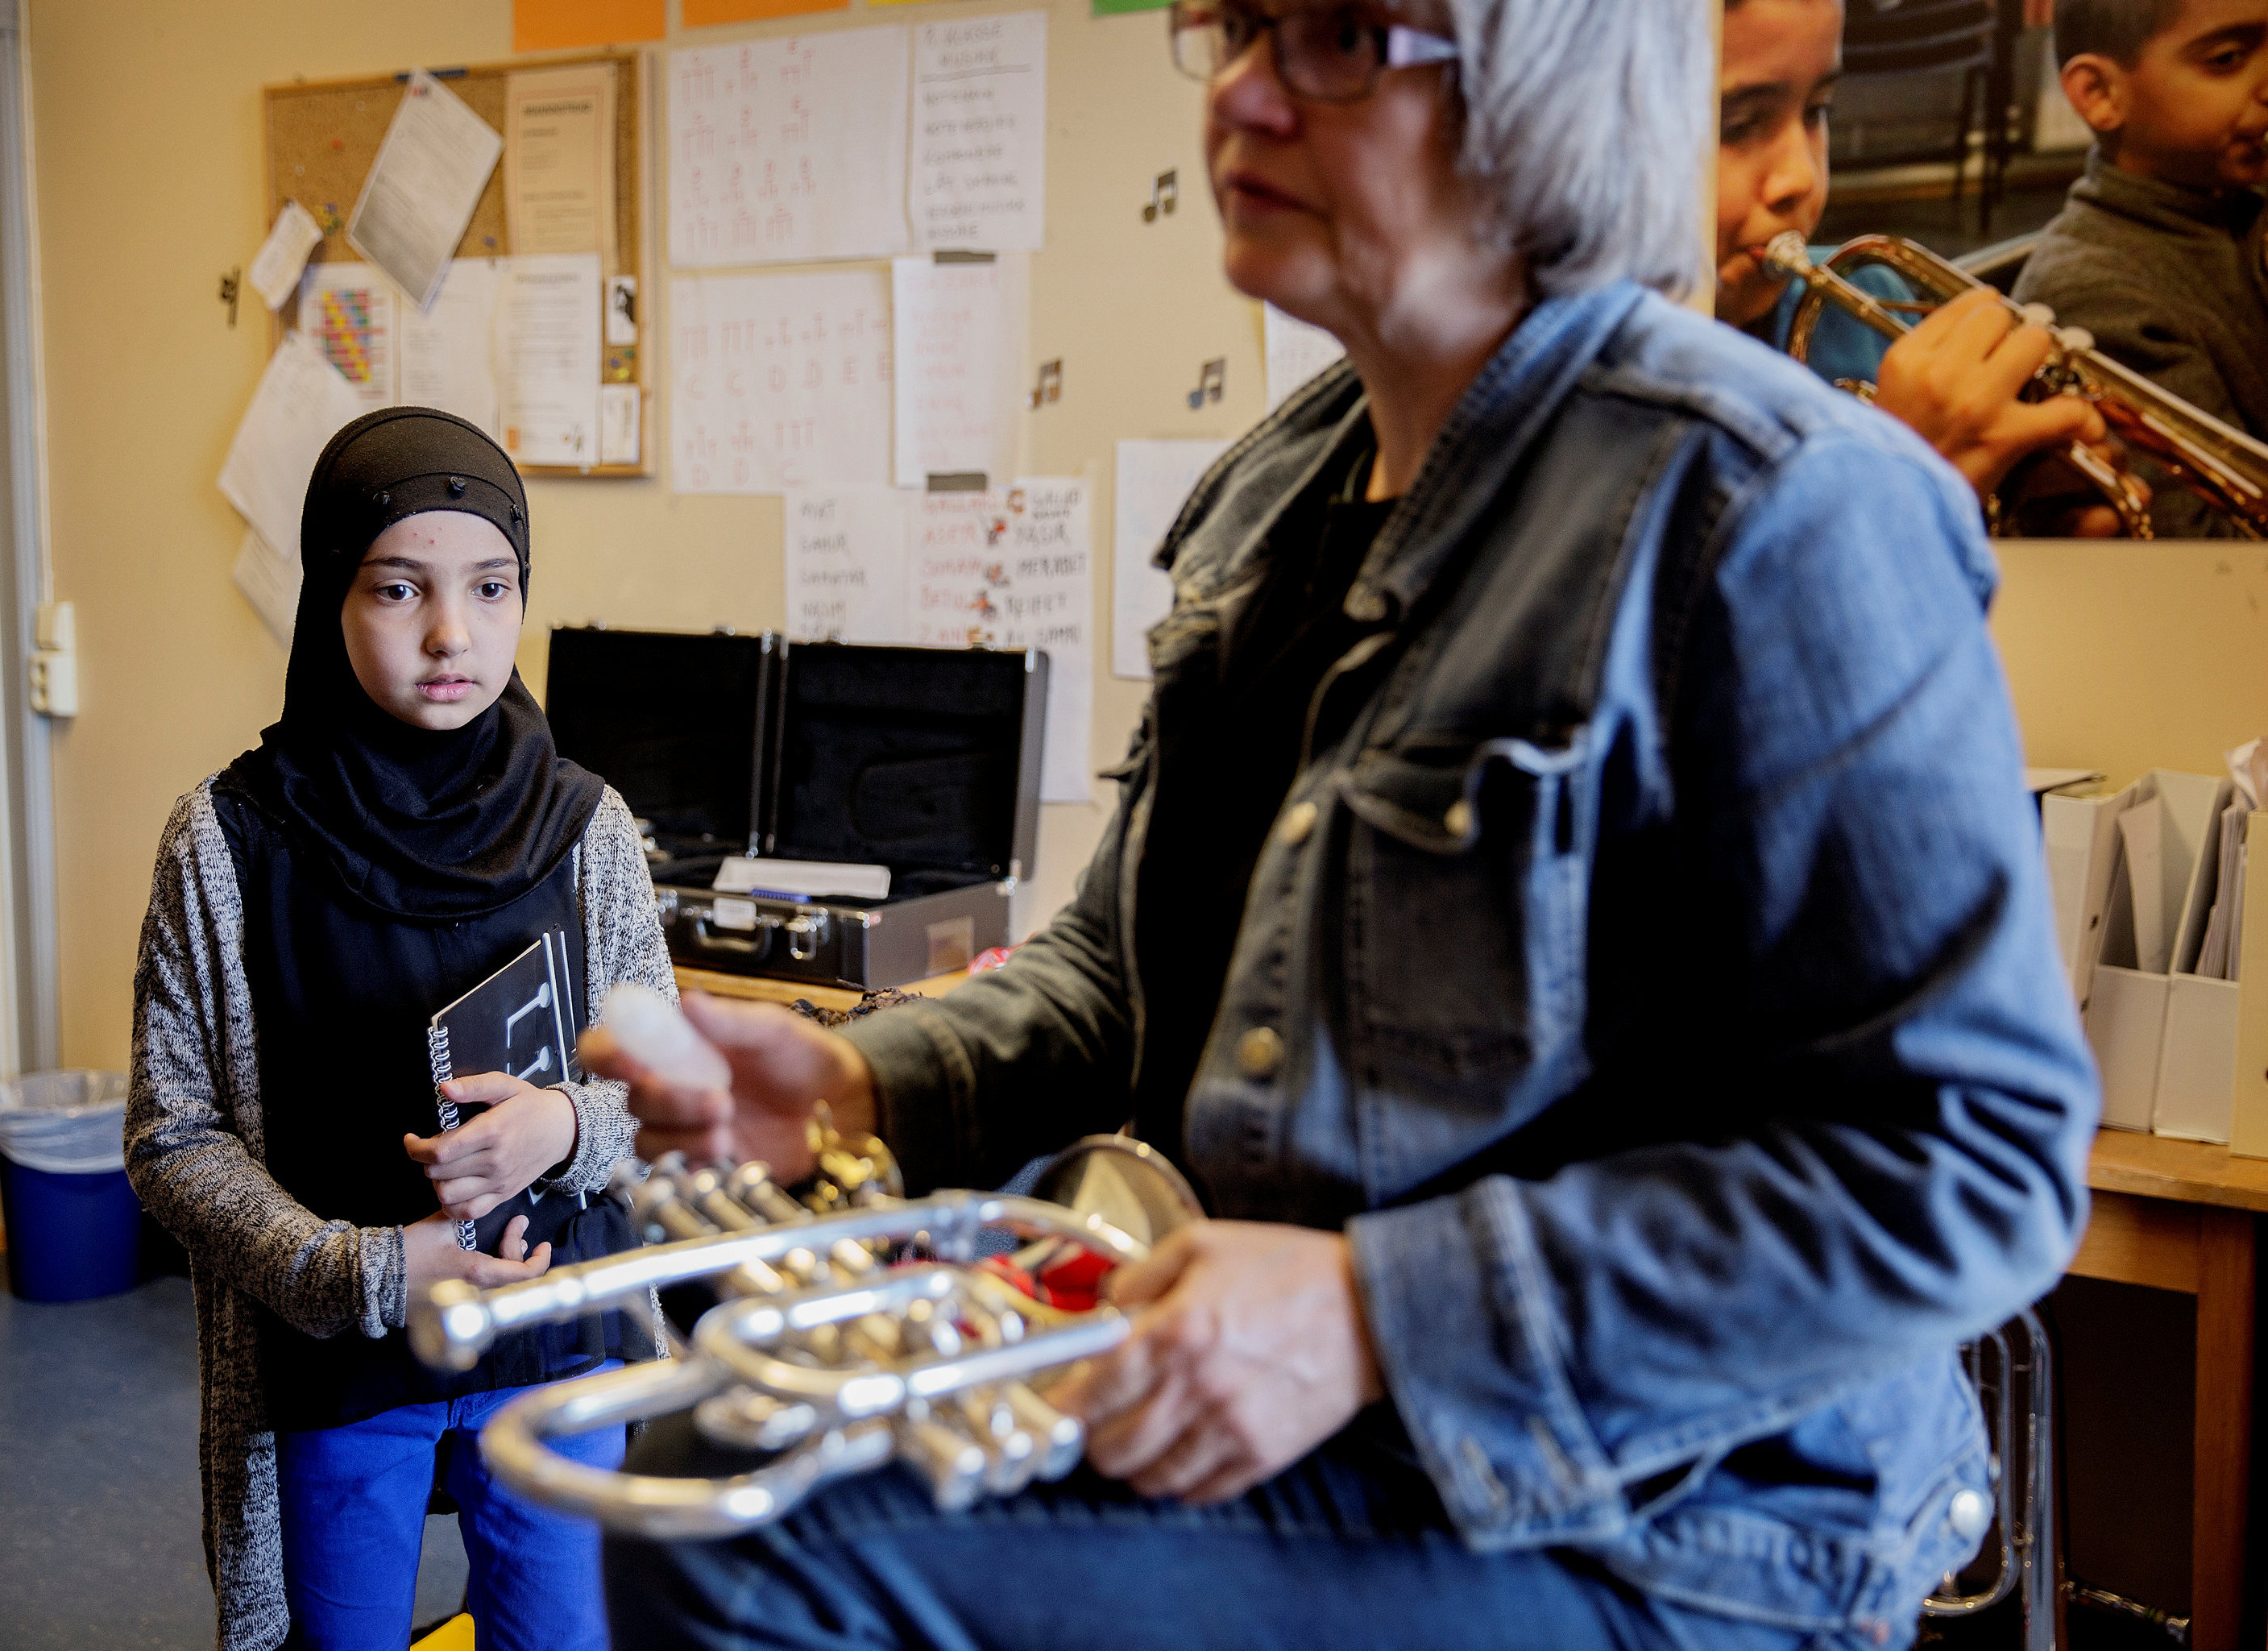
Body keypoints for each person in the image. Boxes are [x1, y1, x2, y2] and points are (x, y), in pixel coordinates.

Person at [584, 0, 2100, 1646]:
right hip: (1327, 1432)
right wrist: (871, 1075)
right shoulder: (1279, 495)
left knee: (764, 1533)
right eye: (1232, 25)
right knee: (716, 1420)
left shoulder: (1778, 503)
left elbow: (1971, 1164)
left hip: (1669, 1522)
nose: (1240, 88)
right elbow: (1123, 973)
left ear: (1549, 91)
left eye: (1332, 35)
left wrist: (1379, 1314)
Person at [124, 408, 677, 1651]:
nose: (452, 634)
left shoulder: (588, 826)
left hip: (553, 1343)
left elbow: (663, 1087)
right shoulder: (227, 841)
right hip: (341, 1363)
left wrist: (568, 1126)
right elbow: (171, 1135)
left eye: (491, 588)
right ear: (329, 593)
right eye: (397, 589)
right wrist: (364, 1270)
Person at [1715, 0, 2124, 533]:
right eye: (1739, 124)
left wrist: (2012, 524)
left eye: (1818, 110)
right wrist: (1897, 479)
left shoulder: (1863, 298)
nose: (1802, 177)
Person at [2015, 0, 2268, 537]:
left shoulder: (2237, 202)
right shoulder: (2099, 297)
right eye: (2226, 59)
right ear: (2099, 95)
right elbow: (2213, 550)